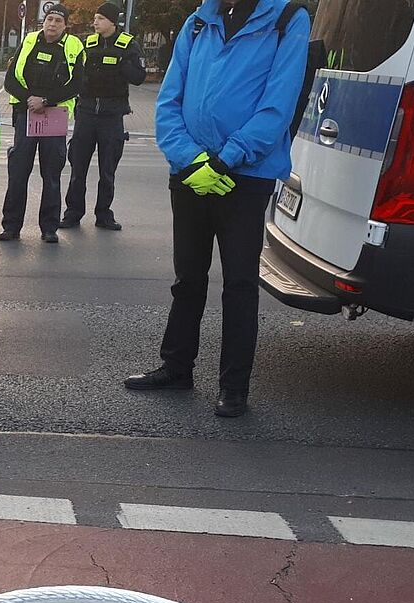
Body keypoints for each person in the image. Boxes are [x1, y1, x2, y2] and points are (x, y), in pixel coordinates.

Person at [125, 0, 311, 418]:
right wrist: (191, 159)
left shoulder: (287, 18)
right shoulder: (198, 21)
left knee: (240, 285)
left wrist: (228, 158)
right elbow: (169, 102)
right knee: (187, 278)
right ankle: (176, 368)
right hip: (192, 171)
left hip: (245, 173)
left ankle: (234, 387)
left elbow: (278, 105)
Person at [0, 4, 84, 244]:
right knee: (18, 173)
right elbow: (10, 79)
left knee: (52, 174)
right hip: (26, 113)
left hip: (54, 116)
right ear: (43, 21)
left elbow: (77, 84)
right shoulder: (28, 41)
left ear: (65, 25)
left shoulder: (74, 46)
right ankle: (11, 227)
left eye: (58, 20)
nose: (52, 24)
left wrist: (46, 101)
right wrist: (29, 100)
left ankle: (49, 228)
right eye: (49, 19)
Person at [59, 2, 145, 230]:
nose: (95, 22)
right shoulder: (88, 43)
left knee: (107, 170)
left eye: (100, 18)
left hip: (111, 115)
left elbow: (138, 76)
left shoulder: (128, 45)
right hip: (86, 113)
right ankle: (73, 213)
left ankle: (104, 214)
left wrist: (121, 64)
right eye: (95, 18)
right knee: (78, 168)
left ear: (112, 22)